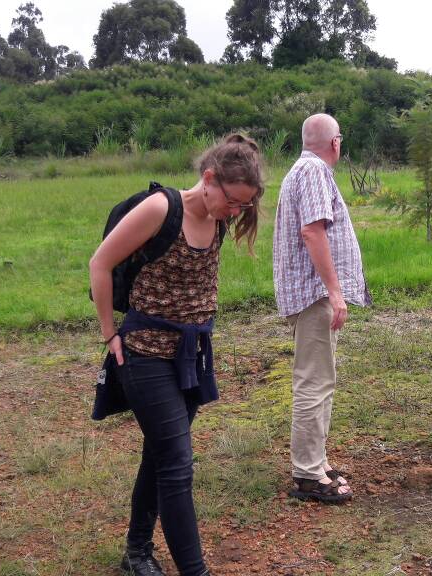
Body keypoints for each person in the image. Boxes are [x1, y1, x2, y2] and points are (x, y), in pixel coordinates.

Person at [89, 134, 264, 575]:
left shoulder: (219, 218)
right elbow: (100, 263)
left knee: (160, 455)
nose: (235, 211)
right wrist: (109, 333)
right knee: (177, 465)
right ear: (209, 178)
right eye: (232, 201)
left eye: (243, 204)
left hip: (190, 356)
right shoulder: (160, 209)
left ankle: (136, 552)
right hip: (145, 354)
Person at [273, 113, 370, 504]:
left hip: (313, 294)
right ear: (335, 142)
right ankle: (308, 475)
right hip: (315, 295)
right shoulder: (313, 171)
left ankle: (317, 461)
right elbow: (312, 230)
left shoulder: (303, 170)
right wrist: (334, 291)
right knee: (314, 382)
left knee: (320, 380)